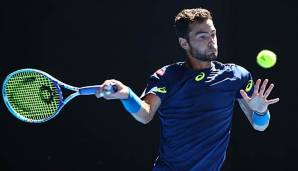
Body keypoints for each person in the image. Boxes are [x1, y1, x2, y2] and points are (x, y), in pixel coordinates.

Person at [96, 8, 280, 171]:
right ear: (184, 43)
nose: (212, 41)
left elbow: (260, 126)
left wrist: (260, 110)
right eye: (202, 36)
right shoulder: (167, 76)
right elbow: (145, 114)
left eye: (213, 34)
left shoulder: (236, 76)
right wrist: (127, 95)